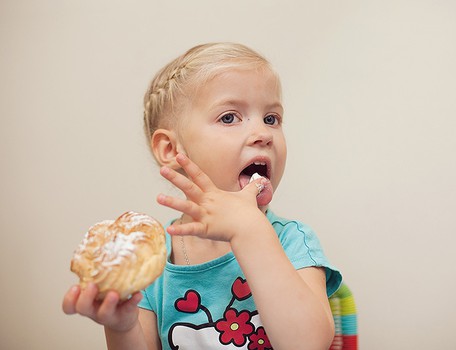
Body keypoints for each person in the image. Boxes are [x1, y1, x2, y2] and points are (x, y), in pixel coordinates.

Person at [63, 42, 342, 349]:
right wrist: (121, 326)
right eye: (229, 117)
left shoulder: (294, 242)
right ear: (170, 149)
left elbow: (308, 344)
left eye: (271, 118)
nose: (263, 133)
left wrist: (248, 228)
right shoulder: (155, 264)